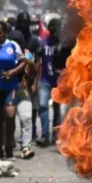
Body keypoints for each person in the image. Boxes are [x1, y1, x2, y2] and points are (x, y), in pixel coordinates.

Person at [0, 21, 27, 160]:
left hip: (11, 86)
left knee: (10, 115)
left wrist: (13, 71)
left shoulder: (12, 45)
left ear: (5, 33)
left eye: (0, 32)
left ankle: (9, 146)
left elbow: (23, 61)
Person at [8, 12, 41, 159]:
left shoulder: (33, 41)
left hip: (24, 84)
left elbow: (38, 63)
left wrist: (35, 82)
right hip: (8, 87)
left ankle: (26, 145)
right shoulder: (8, 42)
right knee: (9, 117)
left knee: (27, 115)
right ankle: (8, 144)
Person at [37, 18, 68, 147]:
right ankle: (44, 135)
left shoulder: (64, 44)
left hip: (59, 82)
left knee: (57, 109)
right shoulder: (43, 43)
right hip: (44, 80)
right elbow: (37, 62)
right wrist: (34, 80)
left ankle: (56, 134)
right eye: (53, 28)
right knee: (43, 105)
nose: (55, 31)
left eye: (57, 28)